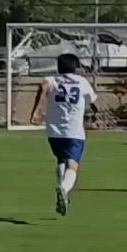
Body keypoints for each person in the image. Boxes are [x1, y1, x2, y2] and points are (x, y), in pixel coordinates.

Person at [30, 53, 97, 216]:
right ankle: (64, 189)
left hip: (54, 131)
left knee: (61, 160)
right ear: (76, 67)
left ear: (58, 67)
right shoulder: (82, 82)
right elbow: (92, 100)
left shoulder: (52, 80)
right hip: (74, 131)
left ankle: (64, 196)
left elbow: (42, 86)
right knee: (73, 165)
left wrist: (35, 111)